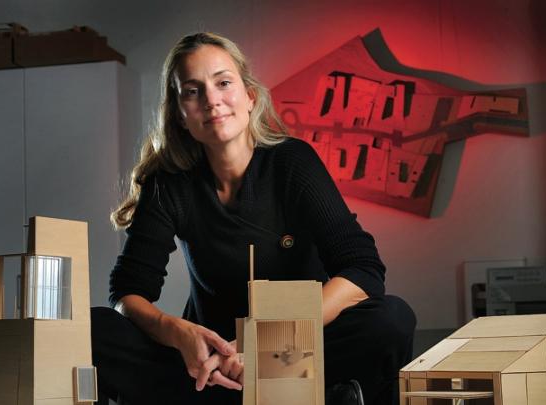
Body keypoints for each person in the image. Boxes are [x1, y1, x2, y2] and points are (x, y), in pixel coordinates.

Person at [91, 32, 416, 405]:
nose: (212, 100)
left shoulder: (293, 163)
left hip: (292, 352)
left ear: (250, 96)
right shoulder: (168, 183)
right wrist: (179, 333)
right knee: (93, 329)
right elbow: (126, 292)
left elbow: (362, 271)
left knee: (392, 318)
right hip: (209, 366)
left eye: (223, 83)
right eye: (193, 91)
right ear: (180, 114)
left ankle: (299, 392)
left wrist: (263, 343)